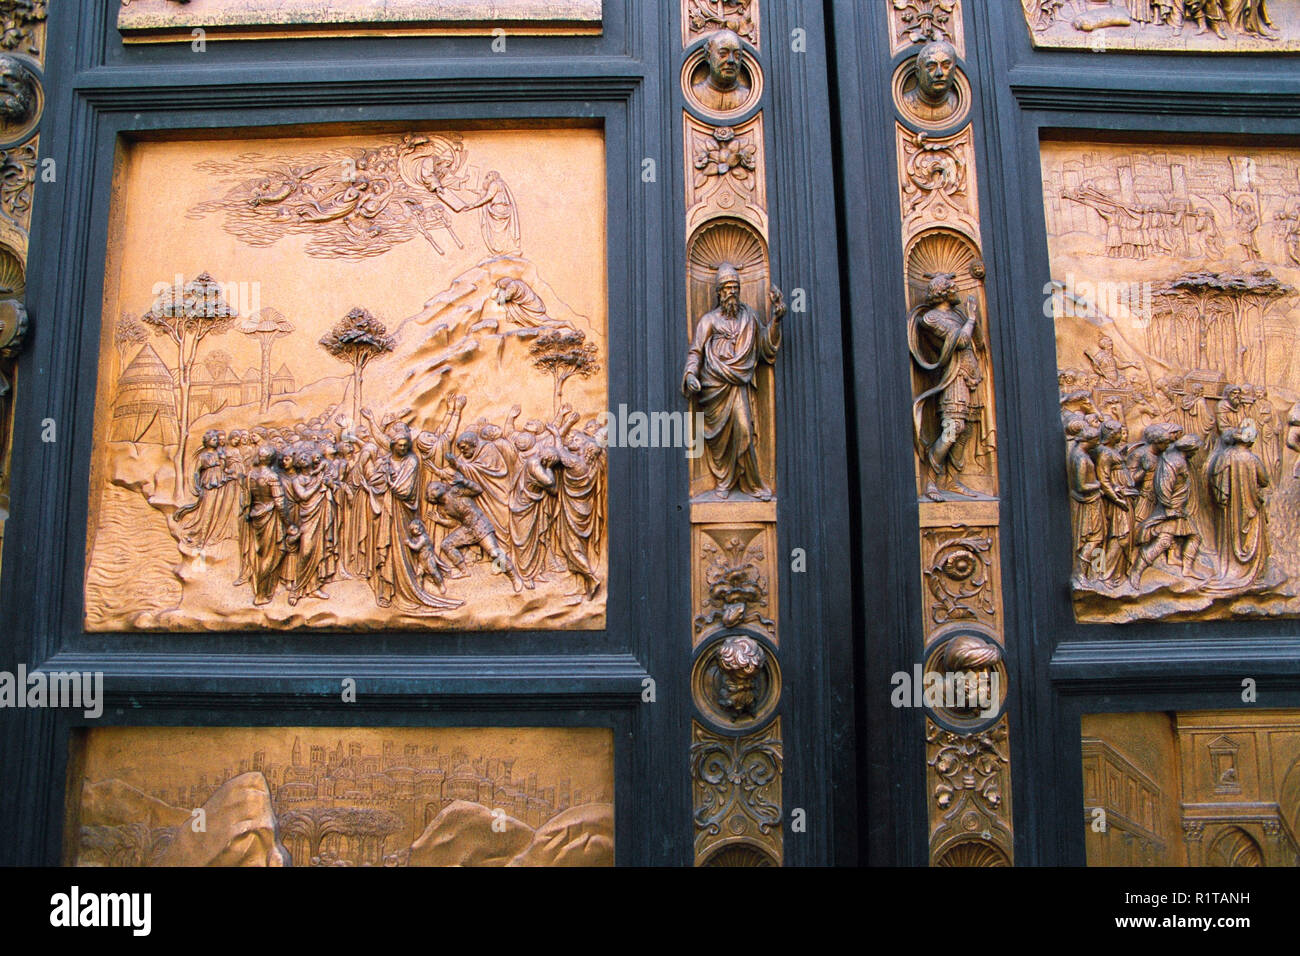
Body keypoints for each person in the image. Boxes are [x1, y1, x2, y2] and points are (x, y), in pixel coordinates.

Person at [683, 263, 784, 500]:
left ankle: (752, 484)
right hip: (714, 386)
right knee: (721, 440)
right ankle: (724, 480)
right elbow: (696, 351)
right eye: (727, 288)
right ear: (718, 292)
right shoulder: (709, 320)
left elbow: (765, 345)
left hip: (738, 384)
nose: (732, 292)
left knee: (744, 430)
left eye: (735, 287)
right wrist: (690, 374)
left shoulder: (749, 317)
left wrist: (777, 320)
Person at [909, 273, 985, 499]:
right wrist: (970, 319)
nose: (956, 290)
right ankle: (931, 480)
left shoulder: (958, 315)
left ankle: (951, 480)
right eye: (952, 287)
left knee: (966, 430)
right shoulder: (931, 318)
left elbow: (977, 342)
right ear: (942, 290)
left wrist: (971, 319)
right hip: (953, 377)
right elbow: (961, 342)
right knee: (953, 429)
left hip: (970, 376)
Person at [691, 29, 751, 113]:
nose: (731, 61)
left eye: (737, 55)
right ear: (708, 56)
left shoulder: (747, 96)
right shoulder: (695, 93)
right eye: (723, 54)